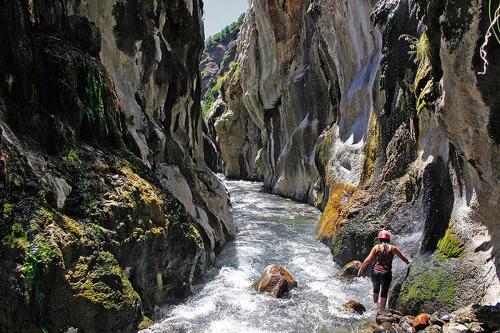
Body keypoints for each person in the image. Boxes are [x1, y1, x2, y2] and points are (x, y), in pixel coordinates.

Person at [357, 230, 410, 312]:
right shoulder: (393, 248)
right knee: (384, 292)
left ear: (379, 239)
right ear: (388, 239)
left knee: (375, 289)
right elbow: (403, 258)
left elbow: (368, 259)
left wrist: (362, 268)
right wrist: (409, 262)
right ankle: (381, 312)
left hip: (375, 272)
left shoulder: (376, 247)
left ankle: (375, 305)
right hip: (386, 274)